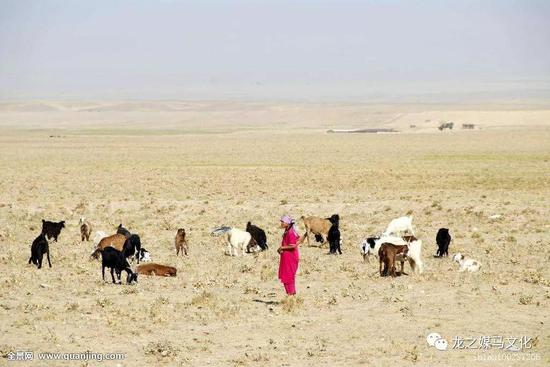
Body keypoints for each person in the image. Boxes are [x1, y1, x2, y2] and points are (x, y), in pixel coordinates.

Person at [277, 215, 300, 296]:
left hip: (290, 258)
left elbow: (293, 245)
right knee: (288, 275)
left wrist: (282, 247)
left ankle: (291, 294)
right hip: (287, 257)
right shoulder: (288, 230)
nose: (281, 223)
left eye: (283, 221)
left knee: (288, 276)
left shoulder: (290, 233)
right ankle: (291, 294)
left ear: (287, 223)